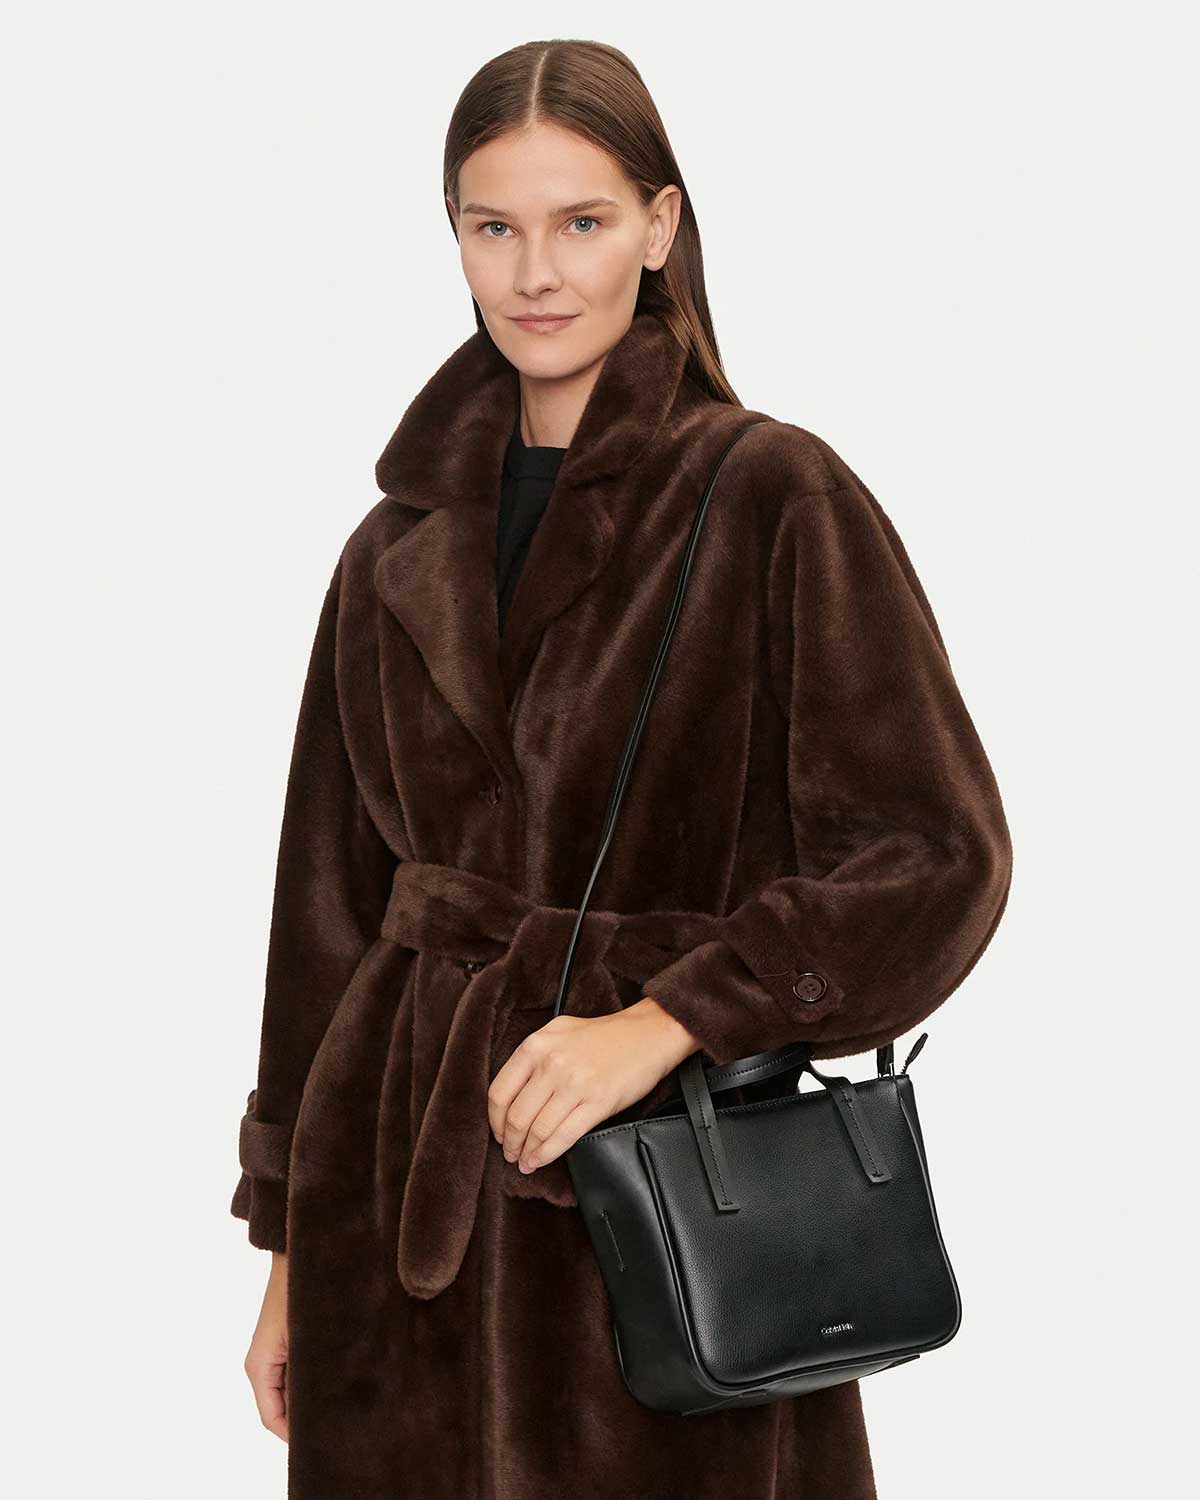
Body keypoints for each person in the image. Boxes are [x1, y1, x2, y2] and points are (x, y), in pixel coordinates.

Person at [232, 38, 1013, 1500]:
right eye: (494, 225)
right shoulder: (391, 550)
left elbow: (935, 858)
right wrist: (288, 1251)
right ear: (454, 234)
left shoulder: (773, 496)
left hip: (663, 1210)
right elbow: (321, 924)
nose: (536, 271)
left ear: (659, 226)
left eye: (581, 221)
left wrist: (669, 1019)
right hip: (395, 1224)